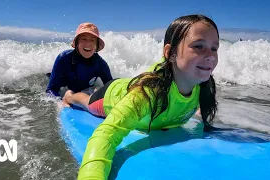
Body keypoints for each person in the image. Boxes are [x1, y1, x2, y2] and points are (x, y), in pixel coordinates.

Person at [63, 14, 219, 179]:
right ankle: (70, 96)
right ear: (170, 53)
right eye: (199, 46)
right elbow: (106, 134)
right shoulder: (148, 93)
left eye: (214, 48)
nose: (210, 55)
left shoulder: (203, 86)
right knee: (88, 103)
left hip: (130, 85)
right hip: (111, 96)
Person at [46, 22, 113, 97]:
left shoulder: (101, 64)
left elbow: (111, 88)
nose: (88, 44)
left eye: (92, 40)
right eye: (84, 39)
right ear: (77, 42)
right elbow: (51, 89)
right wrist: (61, 103)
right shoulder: (64, 58)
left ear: (97, 45)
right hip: (63, 86)